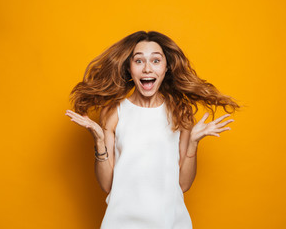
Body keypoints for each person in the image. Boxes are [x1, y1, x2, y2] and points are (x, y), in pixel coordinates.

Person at [65, 30, 241, 228]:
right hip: (121, 222)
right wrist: (99, 141)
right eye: (139, 61)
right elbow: (107, 185)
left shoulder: (180, 113)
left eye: (156, 61)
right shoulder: (113, 112)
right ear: (129, 68)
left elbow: (183, 185)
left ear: (166, 68)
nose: (147, 68)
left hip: (170, 223)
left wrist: (193, 143)